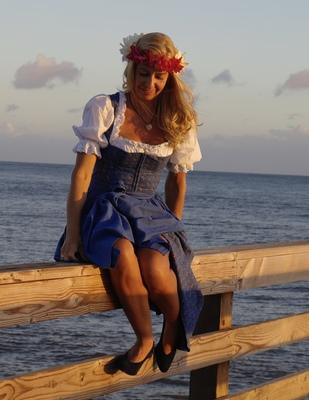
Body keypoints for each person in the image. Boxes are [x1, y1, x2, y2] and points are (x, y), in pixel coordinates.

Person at [55, 32, 203, 375]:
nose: (149, 83)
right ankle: (144, 340)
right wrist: (73, 236)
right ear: (131, 70)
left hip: (151, 213)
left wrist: (172, 233)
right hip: (105, 209)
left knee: (155, 266)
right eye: (142, 74)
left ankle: (173, 325)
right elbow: (81, 177)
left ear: (169, 79)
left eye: (158, 76)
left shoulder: (179, 121)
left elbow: (177, 181)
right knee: (121, 253)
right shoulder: (106, 108)